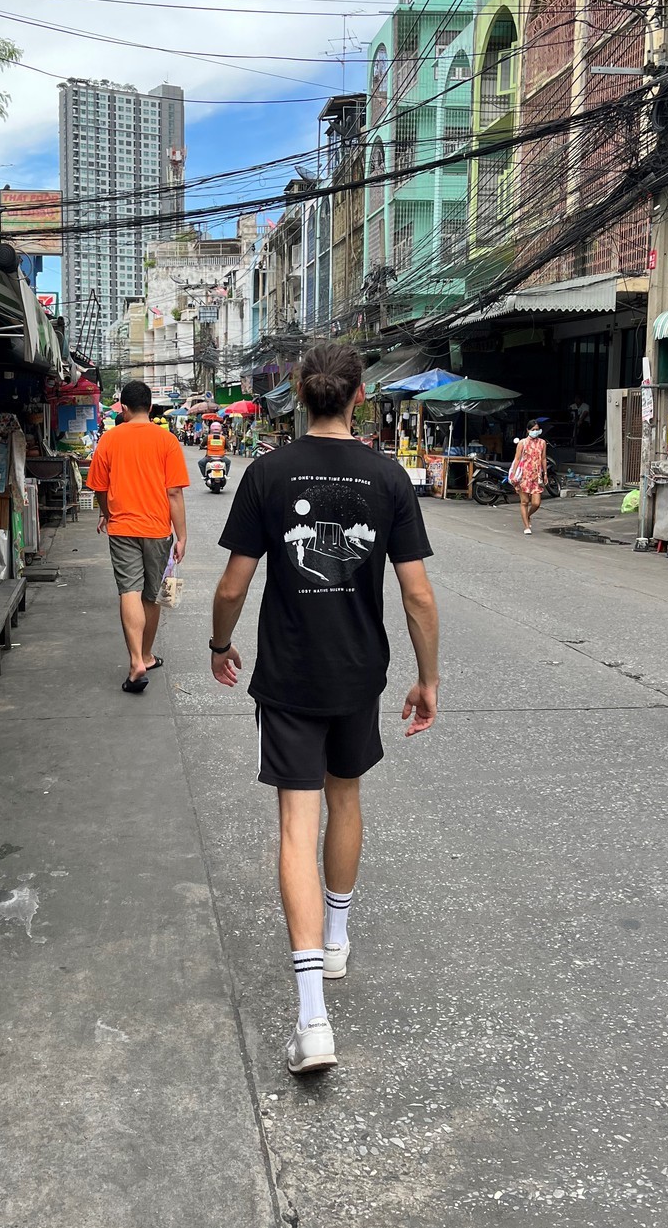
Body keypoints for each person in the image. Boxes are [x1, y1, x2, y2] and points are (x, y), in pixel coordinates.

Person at [209, 341, 440, 1075]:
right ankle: (336, 939)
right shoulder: (388, 475)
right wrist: (427, 678)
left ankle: (313, 1020)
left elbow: (232, 585)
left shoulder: (267, 474)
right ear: (360, 395)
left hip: (288, 674)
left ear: (299, 393)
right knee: (347, 800)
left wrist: (219, 642)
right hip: (358, 673)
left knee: (294, 823)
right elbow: (418, 593)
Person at [86, 380, 189, 694]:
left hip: (122, 528)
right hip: (158, 529)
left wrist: (106, 512)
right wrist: (181, 535)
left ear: (124, 408)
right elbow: (173, 493)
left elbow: (100, 488)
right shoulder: (167, 440)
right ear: (151, 407)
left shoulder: (109, 439)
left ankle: (136, 661)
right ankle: (146, 654)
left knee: (129, 590)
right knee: (151, 593)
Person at [508, 418, 549, 534]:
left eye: (537, 429)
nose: (535, 431)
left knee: (536, 503)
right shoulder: (522, 443)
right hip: (524, 476)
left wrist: (545, 474)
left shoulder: (542, 443)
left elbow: (544, 458)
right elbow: (517, 459)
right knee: (524, 502)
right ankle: (526, 526)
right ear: (528, 430)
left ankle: (528, 515)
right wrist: (513, 474)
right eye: (533, 429)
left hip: (536, 476)